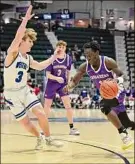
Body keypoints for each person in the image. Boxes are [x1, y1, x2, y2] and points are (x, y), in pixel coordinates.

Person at [3, 5, 63, 150]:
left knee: (41, 113)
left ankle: (48, 139)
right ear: (22, 42)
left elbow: (41, 66)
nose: (32, 44)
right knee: (25, 123)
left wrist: (53, 57)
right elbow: (18, 36)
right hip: (11, 94)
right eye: (30, 41)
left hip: (24, 90)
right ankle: (39, 138)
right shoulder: (12, 53)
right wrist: (25, 22)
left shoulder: (28, 58)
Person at [64, 41, 134, 150]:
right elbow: (75, 80)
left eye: (90, 55)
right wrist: (69, 86)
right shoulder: (85, 66)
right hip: (106, 94)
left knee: (104, 106)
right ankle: (125, 131)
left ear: (96, 53)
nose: (88, 58)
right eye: (86, 56)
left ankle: (124, 136)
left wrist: (115, 83)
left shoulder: (108, 62)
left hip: (117, 90)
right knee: (127, 123)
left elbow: (121, 75)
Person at [43, 40, 80, 135]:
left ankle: (72, 128)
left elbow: (68, 72)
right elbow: (47, 75)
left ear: (65, 49)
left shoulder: (68, 59)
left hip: (62, 85)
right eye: (59, 46)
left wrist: (68, 84)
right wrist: (56, 78)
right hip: (51, 84)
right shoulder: (52, 59)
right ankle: (43, 128)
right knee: (47, 106)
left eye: (63, 47)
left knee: (68, 106)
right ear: (56, 48)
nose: (61, 48)